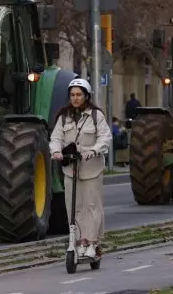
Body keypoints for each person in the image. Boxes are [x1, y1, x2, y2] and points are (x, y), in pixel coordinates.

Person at [49, 78, 112, 259]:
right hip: (71, 168)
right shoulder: (63, 116)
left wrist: (94, 150)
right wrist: (56, 152)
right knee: (74, 206)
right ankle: (79, 241)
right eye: (72, 95)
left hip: (92, 168)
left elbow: (105, 137)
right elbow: (56, 138)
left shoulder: (95, 115)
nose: (75, 98)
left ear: (86, 96)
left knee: (92, 206)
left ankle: (92, 242)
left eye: (79, 95)